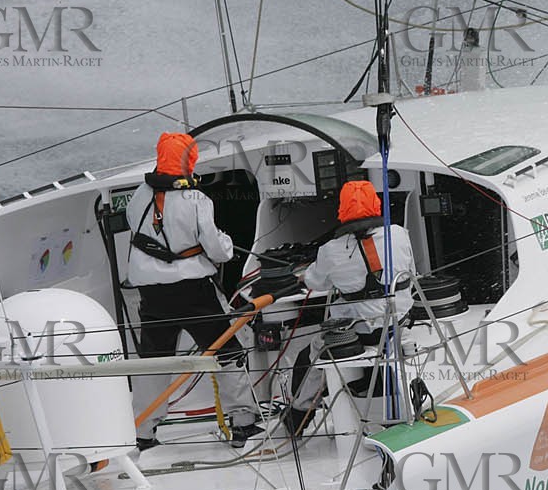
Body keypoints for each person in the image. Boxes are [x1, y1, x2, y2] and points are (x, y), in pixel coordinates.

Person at [126, 132, 262, 450]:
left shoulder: (139, 195)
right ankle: (243, 422)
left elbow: (136, 228)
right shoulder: (197, 199)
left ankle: (143, 432)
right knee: (226, 353)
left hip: (152, 295)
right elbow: (216, 249)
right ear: (190, 160)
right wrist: (227, 245)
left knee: (153, 361)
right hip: (193, 291)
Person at [285, 180, 415, 436]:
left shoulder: (330, 250)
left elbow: (315, 281)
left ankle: (297, 417)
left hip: (361, 334)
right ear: (376, 204)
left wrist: (303, 274)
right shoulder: (400, 233)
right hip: (399, 324)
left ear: (342, 209)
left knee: (309, 357)